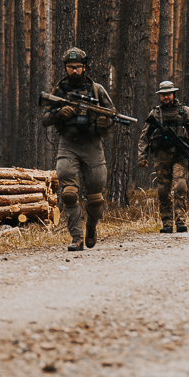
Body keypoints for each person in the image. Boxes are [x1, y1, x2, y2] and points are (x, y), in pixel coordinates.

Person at [41, 48, 115, 251]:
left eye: (78, 67)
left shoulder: (97, 89)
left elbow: (112, 114)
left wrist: (104, 121)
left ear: (84, 67)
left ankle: (91, 228)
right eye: (70, 67)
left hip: (93, 145)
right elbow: (45, 118)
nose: (74, 71)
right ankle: (76, 237)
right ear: (65, 67)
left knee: (96, 197)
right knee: (69, 194)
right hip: (68, 144)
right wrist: (59, 114)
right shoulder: (59, 90)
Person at [136, 79, 189, 233]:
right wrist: (142, 156)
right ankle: (167, 223)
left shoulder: (185, 111)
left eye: (169, 94)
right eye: (163, 95)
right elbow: (145, 136)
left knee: (180, 186)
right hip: (161, 156)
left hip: (180, 155)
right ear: (160, 96)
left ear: (173, 94)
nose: (166, 97)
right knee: (163, 191)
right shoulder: (155, 114)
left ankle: (180, 222)